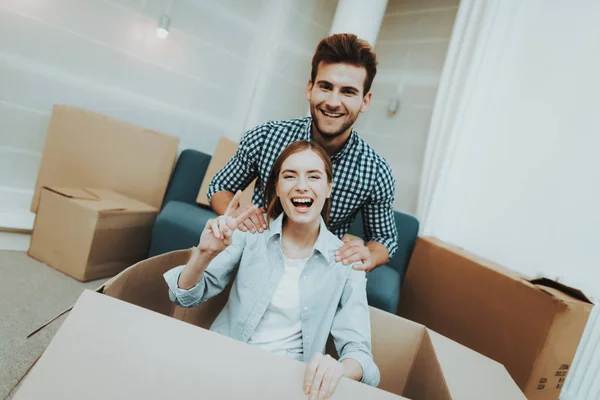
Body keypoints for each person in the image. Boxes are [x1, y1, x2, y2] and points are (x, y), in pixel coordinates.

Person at [164, 141, 379, 400]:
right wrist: (203, 255)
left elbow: (362, 359)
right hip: (221, 369)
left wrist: (338, 368)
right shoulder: (250, 234)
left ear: (328, 186)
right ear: (277, 186)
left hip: (288, 387)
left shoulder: (347, 262)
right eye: (290, 176)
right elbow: (183, 297)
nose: (301, 185)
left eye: (314, 176)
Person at [208, 33, 398, 273]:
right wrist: (237, 213)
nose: (333, 101)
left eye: (348, 92)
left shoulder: (376, 171)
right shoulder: (265, 136)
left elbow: (384, 239)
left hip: (313, 277)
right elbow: (218, 188)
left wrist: (370, 255)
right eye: (325, 87)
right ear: (310, 88)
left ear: (365, 101)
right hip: (248, 259)